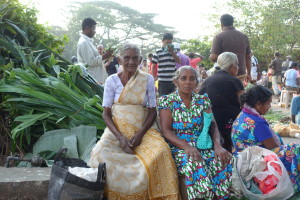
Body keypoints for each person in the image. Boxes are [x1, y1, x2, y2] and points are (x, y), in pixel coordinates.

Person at [89, 43, 180, 199]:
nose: (131, 62)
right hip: (117, 130)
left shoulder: (148, 79)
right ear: (119, 59)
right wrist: (120, 138)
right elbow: (106, 114)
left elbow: (152, 111)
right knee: (100, 153)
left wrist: (140, 134)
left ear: (140, 60)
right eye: (127, 58)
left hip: (144, 129)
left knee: (161, 152)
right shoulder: (111, 80)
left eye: (135, 58)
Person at [158, 66, 232, 200]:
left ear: (196, 82)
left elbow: (213, 126)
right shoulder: (167, 101)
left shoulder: (203, 101)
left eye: (192, 79)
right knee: (194, 161)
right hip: (179, 146)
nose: (188, 82)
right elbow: (166, 131)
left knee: (220, 158)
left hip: (202, 144)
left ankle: (219, 196)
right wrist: (187, 147)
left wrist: (217, 145)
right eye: (183, 78)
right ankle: (200, 196)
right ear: (176, 81)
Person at [231, 85, 300, 192]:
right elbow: (274, 148)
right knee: (295, 149)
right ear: (258, 104)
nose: (270, 106)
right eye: (268, 103)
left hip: (242, 157)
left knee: (276, 135)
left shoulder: (244, 113)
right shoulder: (258, 123)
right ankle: (292, 181)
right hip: (255, 162)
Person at [199, 52, 244, 152]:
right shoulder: (235, 81)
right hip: (230, 122)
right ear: (232, 66)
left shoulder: (207, 80)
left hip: (209, 121)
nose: (238, 67)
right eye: (237, 64)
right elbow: (244, 104)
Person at [210, 14, 251, 83]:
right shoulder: (243, 36)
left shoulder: (219, 37)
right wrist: (248, 73)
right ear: (232, 22)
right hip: (241, 73)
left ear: (221, 24)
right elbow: (248, 57)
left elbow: (214, 57)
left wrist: (211, 56)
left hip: (225, 75)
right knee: (239, 93)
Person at [77, 18, 112, 84]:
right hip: (93, 80)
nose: (95, 32)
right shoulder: (84, 42)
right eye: (93, 29)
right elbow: (90, 62)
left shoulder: (88, 42)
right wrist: (104, 56)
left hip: (97, 79)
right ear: (87, 28)